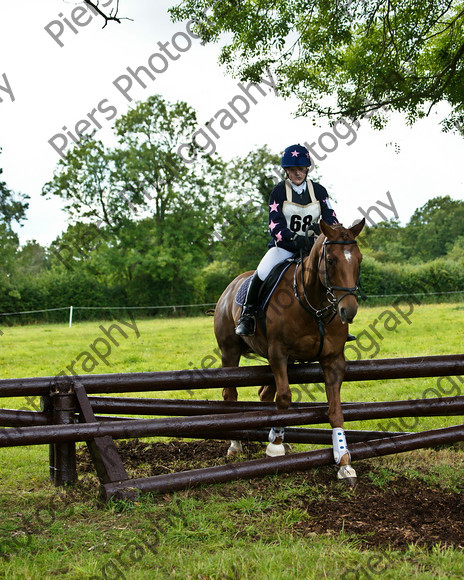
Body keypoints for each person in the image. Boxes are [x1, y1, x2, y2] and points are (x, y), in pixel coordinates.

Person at [235, 143, 341, 337]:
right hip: (284, 247)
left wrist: (324, 229)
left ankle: (336, 322)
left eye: (301, 169)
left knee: (335, 270)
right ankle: (247, 315)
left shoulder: (319, 191)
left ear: (307, 169)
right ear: (286, 171)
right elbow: (274, 225)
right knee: (262, 271)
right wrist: (293, 237)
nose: (297, 174)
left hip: (312, 248)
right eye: (293, 170)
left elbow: (331, 217)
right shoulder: (278, 192)